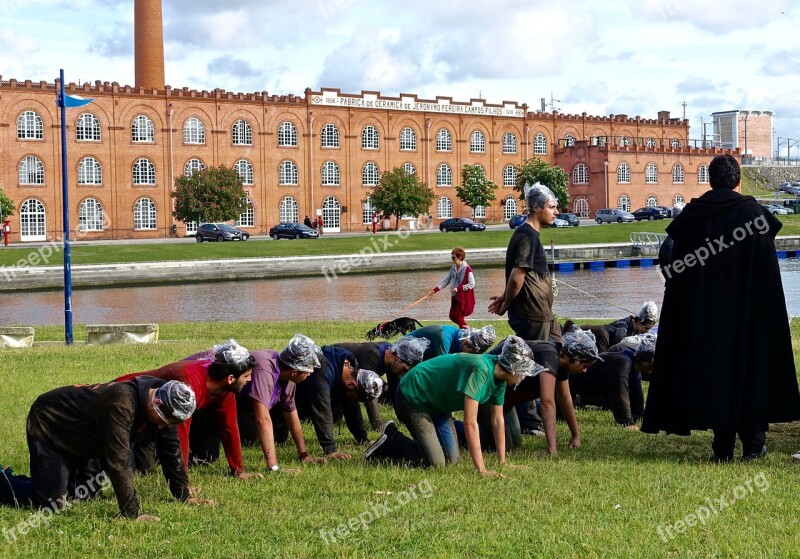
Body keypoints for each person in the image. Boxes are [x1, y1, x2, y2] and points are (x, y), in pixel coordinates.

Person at [642, 154, 800, 461]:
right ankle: (753, 447)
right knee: (749, 373)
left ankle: (722, 448)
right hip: (748, 314)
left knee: (716, 376)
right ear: (738, 181)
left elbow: (679, 273)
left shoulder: (693, 217)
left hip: (706, 317)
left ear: (710, 181)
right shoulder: (754, 215)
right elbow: (766, 275)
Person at [19, 378, 208, 521]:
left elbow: (170, 448)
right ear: (156, 403)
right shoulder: (122, 402)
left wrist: (182, 494)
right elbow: (119, 461)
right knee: (51, 505)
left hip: (88, 435)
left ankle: (54, 478)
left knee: (83, 495)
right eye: (161, 421)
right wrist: (132, 514)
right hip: (50, 424)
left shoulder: (166, 398)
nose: (161, 428)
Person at [364, 336, 541, 476]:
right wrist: (481, 469)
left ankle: (415, 443)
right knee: (436, 464)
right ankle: (392, 440)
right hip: (414, 396)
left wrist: (503, 461)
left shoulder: (499, 379)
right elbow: (470, 423)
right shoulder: (481, 370)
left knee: (452, 460)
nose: (523, 377)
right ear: (511, 368)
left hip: (439, 406)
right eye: (522, 372)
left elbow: (497, 420)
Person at [116, 340, 260, 479]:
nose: (249, 380)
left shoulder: (225, 391)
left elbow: (229, 427)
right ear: (230, 378)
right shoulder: (188, 386)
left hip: (153, 417)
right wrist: (184, 483)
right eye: (247, 376)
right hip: (123, 399)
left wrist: (239, 470)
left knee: (145, 468)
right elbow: (180, 435)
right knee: (130, 467)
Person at [188, 335, 328, 471]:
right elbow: (262, 419)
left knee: (256, 439)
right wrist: (274, 467)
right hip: (201, 394)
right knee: (206, 458)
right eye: (308, 371)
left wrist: (304, 455)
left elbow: (291, 412)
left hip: (232, 404)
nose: (309, 375)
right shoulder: (265, 371)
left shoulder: (288, 378)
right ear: (294, 371)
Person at [479, 326, 602, 454]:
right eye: (584, 365)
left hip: (503, 400)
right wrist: (552, 448)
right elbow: (547, 403)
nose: (584, 370)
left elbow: (565, 399)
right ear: (575, 358)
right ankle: (461, 432)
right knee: (502, 447)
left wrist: (575, 435)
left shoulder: (563, 360)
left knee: (514, 443)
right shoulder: (549, 355)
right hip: (485, 395)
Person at [489, 182, 560, 342]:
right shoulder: (526, 236)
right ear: (536, 208)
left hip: (542, 314)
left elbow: (525, 276)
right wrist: (506, 304)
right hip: (533, 316)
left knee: (558, 351)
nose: (556, 212)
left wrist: (503, 296)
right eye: (551, 207)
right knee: (537, 362)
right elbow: (516, 277)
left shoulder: (531, 235)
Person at [294, 345, 384, 459]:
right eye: (355, 398)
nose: (353, 401)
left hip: (301, 402)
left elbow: (351, 406)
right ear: (352, 384)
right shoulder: (323, 370)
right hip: (283, 402)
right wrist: (330, 449)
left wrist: (363, 439)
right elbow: (322, 410)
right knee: (278, 438)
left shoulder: (351, 369)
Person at [333, 336, 429, 427]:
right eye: (404, 369)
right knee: (336, 417)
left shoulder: (391, 356)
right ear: (398, 358)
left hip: (347, 377)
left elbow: (396, 392)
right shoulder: (373, 355)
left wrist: (403, 419)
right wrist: (377, 425)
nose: (402, 373)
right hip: (334, 369)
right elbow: (368, 390)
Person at [570, 333, 655, 430]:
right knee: (561, 416)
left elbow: (637, 395)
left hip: (599, 387)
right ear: (647, 363)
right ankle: (578, 400)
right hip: (580, 383)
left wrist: (639, 416)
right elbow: (620, 393)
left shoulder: (634, 367)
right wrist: (627, 422)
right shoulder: (623, 362)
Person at [429, 247, 475, 329]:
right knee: (452, 316)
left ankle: (466, 332)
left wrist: (459, 288)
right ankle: (466, 329)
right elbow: (446, 280)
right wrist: (435, 290)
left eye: (453, 257)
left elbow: (472, 283)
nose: (452, 259)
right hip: (454, 296)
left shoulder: (467, 269)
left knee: (458, 317)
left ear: (460, 257)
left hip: (462, 298)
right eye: (452, 257)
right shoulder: (453, 268)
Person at [405, 324, 496, 361]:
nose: (468, 357)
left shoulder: (459, 337)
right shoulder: (445, 340)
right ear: (465, 343)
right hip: (403, 354)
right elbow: (438, 369)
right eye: (470, 353)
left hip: (423, 356)